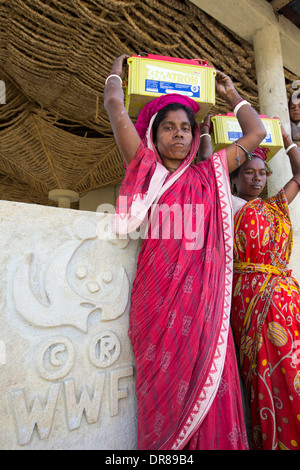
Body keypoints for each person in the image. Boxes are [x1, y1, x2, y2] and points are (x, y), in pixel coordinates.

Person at [104, 54, 266, 450]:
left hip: (205, 308)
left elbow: (257, 132)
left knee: (211, 386)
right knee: (163, 392)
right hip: (158, 302)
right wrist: (115, 74)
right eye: (169, 128)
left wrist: (233, 95)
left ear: (194, 136)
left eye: (184, 129)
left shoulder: (207, 173)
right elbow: (114, 107)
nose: (178, 134)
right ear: (154, 135)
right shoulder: (144, 167)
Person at [230, 127, 300, 450]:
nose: (257, 179)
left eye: (262, 173)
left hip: (289, 308)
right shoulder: (228, 203)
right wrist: (205, 130)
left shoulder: (275, 206)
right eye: (249, 173)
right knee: (266, 381)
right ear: (234, 178)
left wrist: (288, 142)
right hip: (252, 306)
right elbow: (207, 163)